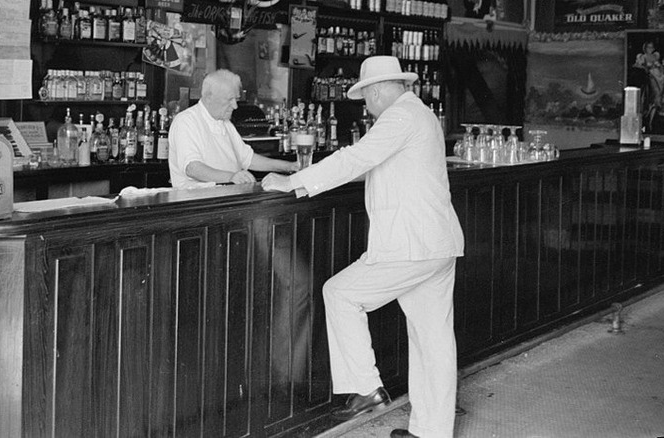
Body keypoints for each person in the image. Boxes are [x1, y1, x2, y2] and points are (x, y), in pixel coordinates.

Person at [261, 56, 465, 438]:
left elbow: (356, 158)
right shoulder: (420, 114)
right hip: (437, 244)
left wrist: (293, 182)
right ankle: (432, 432)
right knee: (432, 339)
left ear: (375, 90)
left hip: (411, 245)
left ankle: (366, 388)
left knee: (339, 293)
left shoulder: (400, 116)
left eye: (364, 98)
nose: (364, 106)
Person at [168, 69, 298, 188]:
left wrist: (289, 167)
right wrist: (231, 177)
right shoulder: (186, 121)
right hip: (197, 203)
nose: (235, 106)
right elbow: (192, 168)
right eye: (230, 100)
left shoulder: (224, 122)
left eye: (236, 99)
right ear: (209, 97)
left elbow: (248, 159)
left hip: (227, 197)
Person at [633, 41, 664, 131]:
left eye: (651, 47)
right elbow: (638, 66)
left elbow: (660, 67)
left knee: (658, 98)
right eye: (648, 47)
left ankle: (652, 121)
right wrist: (646, 68)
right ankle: (647, 121)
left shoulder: (655, 56)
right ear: (645, 48)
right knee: (651, 98)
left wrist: (659, 68)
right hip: (650, 79)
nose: (650, 49)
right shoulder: (643, 57)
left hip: (658, 78)